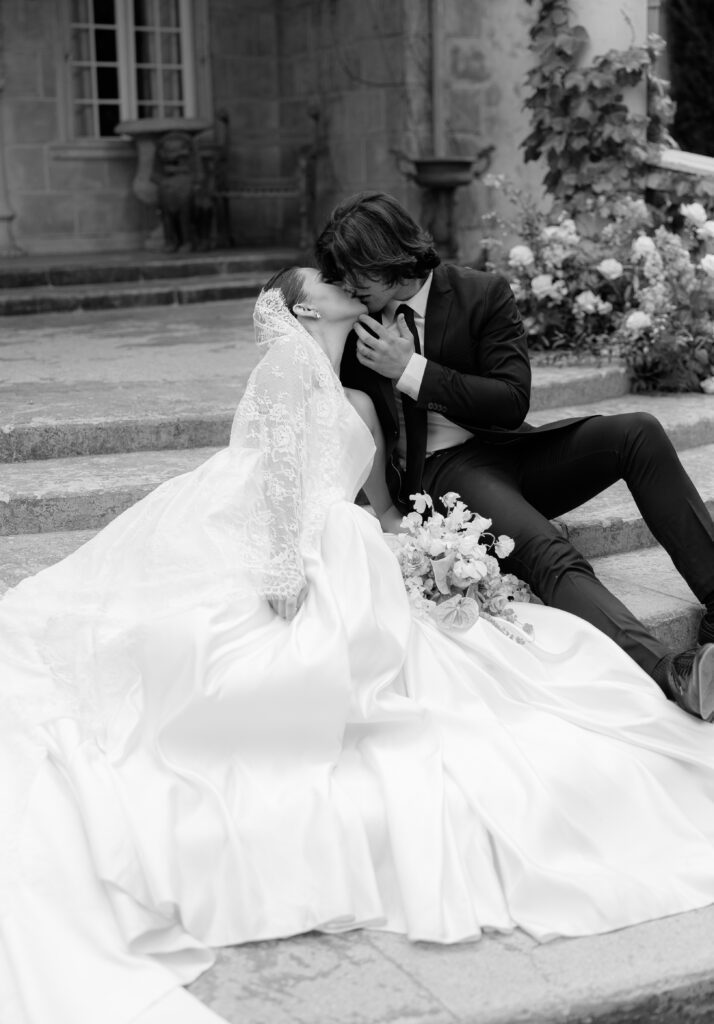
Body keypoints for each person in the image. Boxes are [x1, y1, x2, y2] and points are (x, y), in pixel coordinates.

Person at [4, 267, 714, 1024]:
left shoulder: (359, 386)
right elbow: (279, 475)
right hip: (293, 545)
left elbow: (381, 506)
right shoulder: (287, 364)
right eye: (329, 278)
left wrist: (435, 558)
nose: (349, 282)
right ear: (306, 306)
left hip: (367, 532)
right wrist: (282, 562)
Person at [314, 190, 714, 720]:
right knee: (548, 550)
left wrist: (410, 370)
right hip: (443, 475)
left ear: (387, 258)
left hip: (511, 446)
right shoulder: (356, 323)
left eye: (355, 272)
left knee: (638, 431)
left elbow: (510, 401)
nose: (348, 284)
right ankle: (672, 673)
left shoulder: (481, 293)